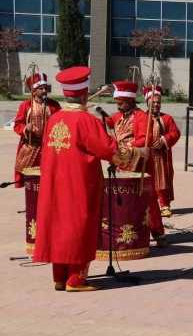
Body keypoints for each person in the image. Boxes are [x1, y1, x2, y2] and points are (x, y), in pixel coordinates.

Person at [33, 66, 148, 292]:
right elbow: (108, 149)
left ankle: (60, 277)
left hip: (54, 184)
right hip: (79, 184)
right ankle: (76, 279)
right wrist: (137, 154)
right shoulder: (88, 121)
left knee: (59, 227)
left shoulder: (54, 119)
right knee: (79, 227)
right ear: (85, 94)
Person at [105, 81, 167, 248]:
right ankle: (125, 232)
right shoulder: (120, 116)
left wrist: (127, 146)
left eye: (120, 104)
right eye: (116, 104)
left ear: (130, 101)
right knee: (123, 199)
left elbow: (146, 139)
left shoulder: (142, 117)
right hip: (121, 163)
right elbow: (110, 122)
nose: (118, 107)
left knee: (148, 198)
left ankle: (158, 233)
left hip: (140, 164)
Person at [13, 72, 61, 188]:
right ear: (34, 91)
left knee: (52, 177)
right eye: (41, 88)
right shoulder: (25, 105)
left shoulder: (54, 105)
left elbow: (61, 123)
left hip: (50, 146)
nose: (44, 90)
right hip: (31, 145)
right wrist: (25, 128)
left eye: (45, 88)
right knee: (30, 179)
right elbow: (17, 124)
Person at [143, 85, 181, 218]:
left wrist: (164, 140)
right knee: (148, 180)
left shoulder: (167, 118)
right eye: (153, 102)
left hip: (162, 156)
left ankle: (165, 205)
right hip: (146, 156)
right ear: (147, 103)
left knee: (163, 179)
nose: (156, 105)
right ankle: (147, 205)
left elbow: (175, 133)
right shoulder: (142, 117)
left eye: (158, 102)